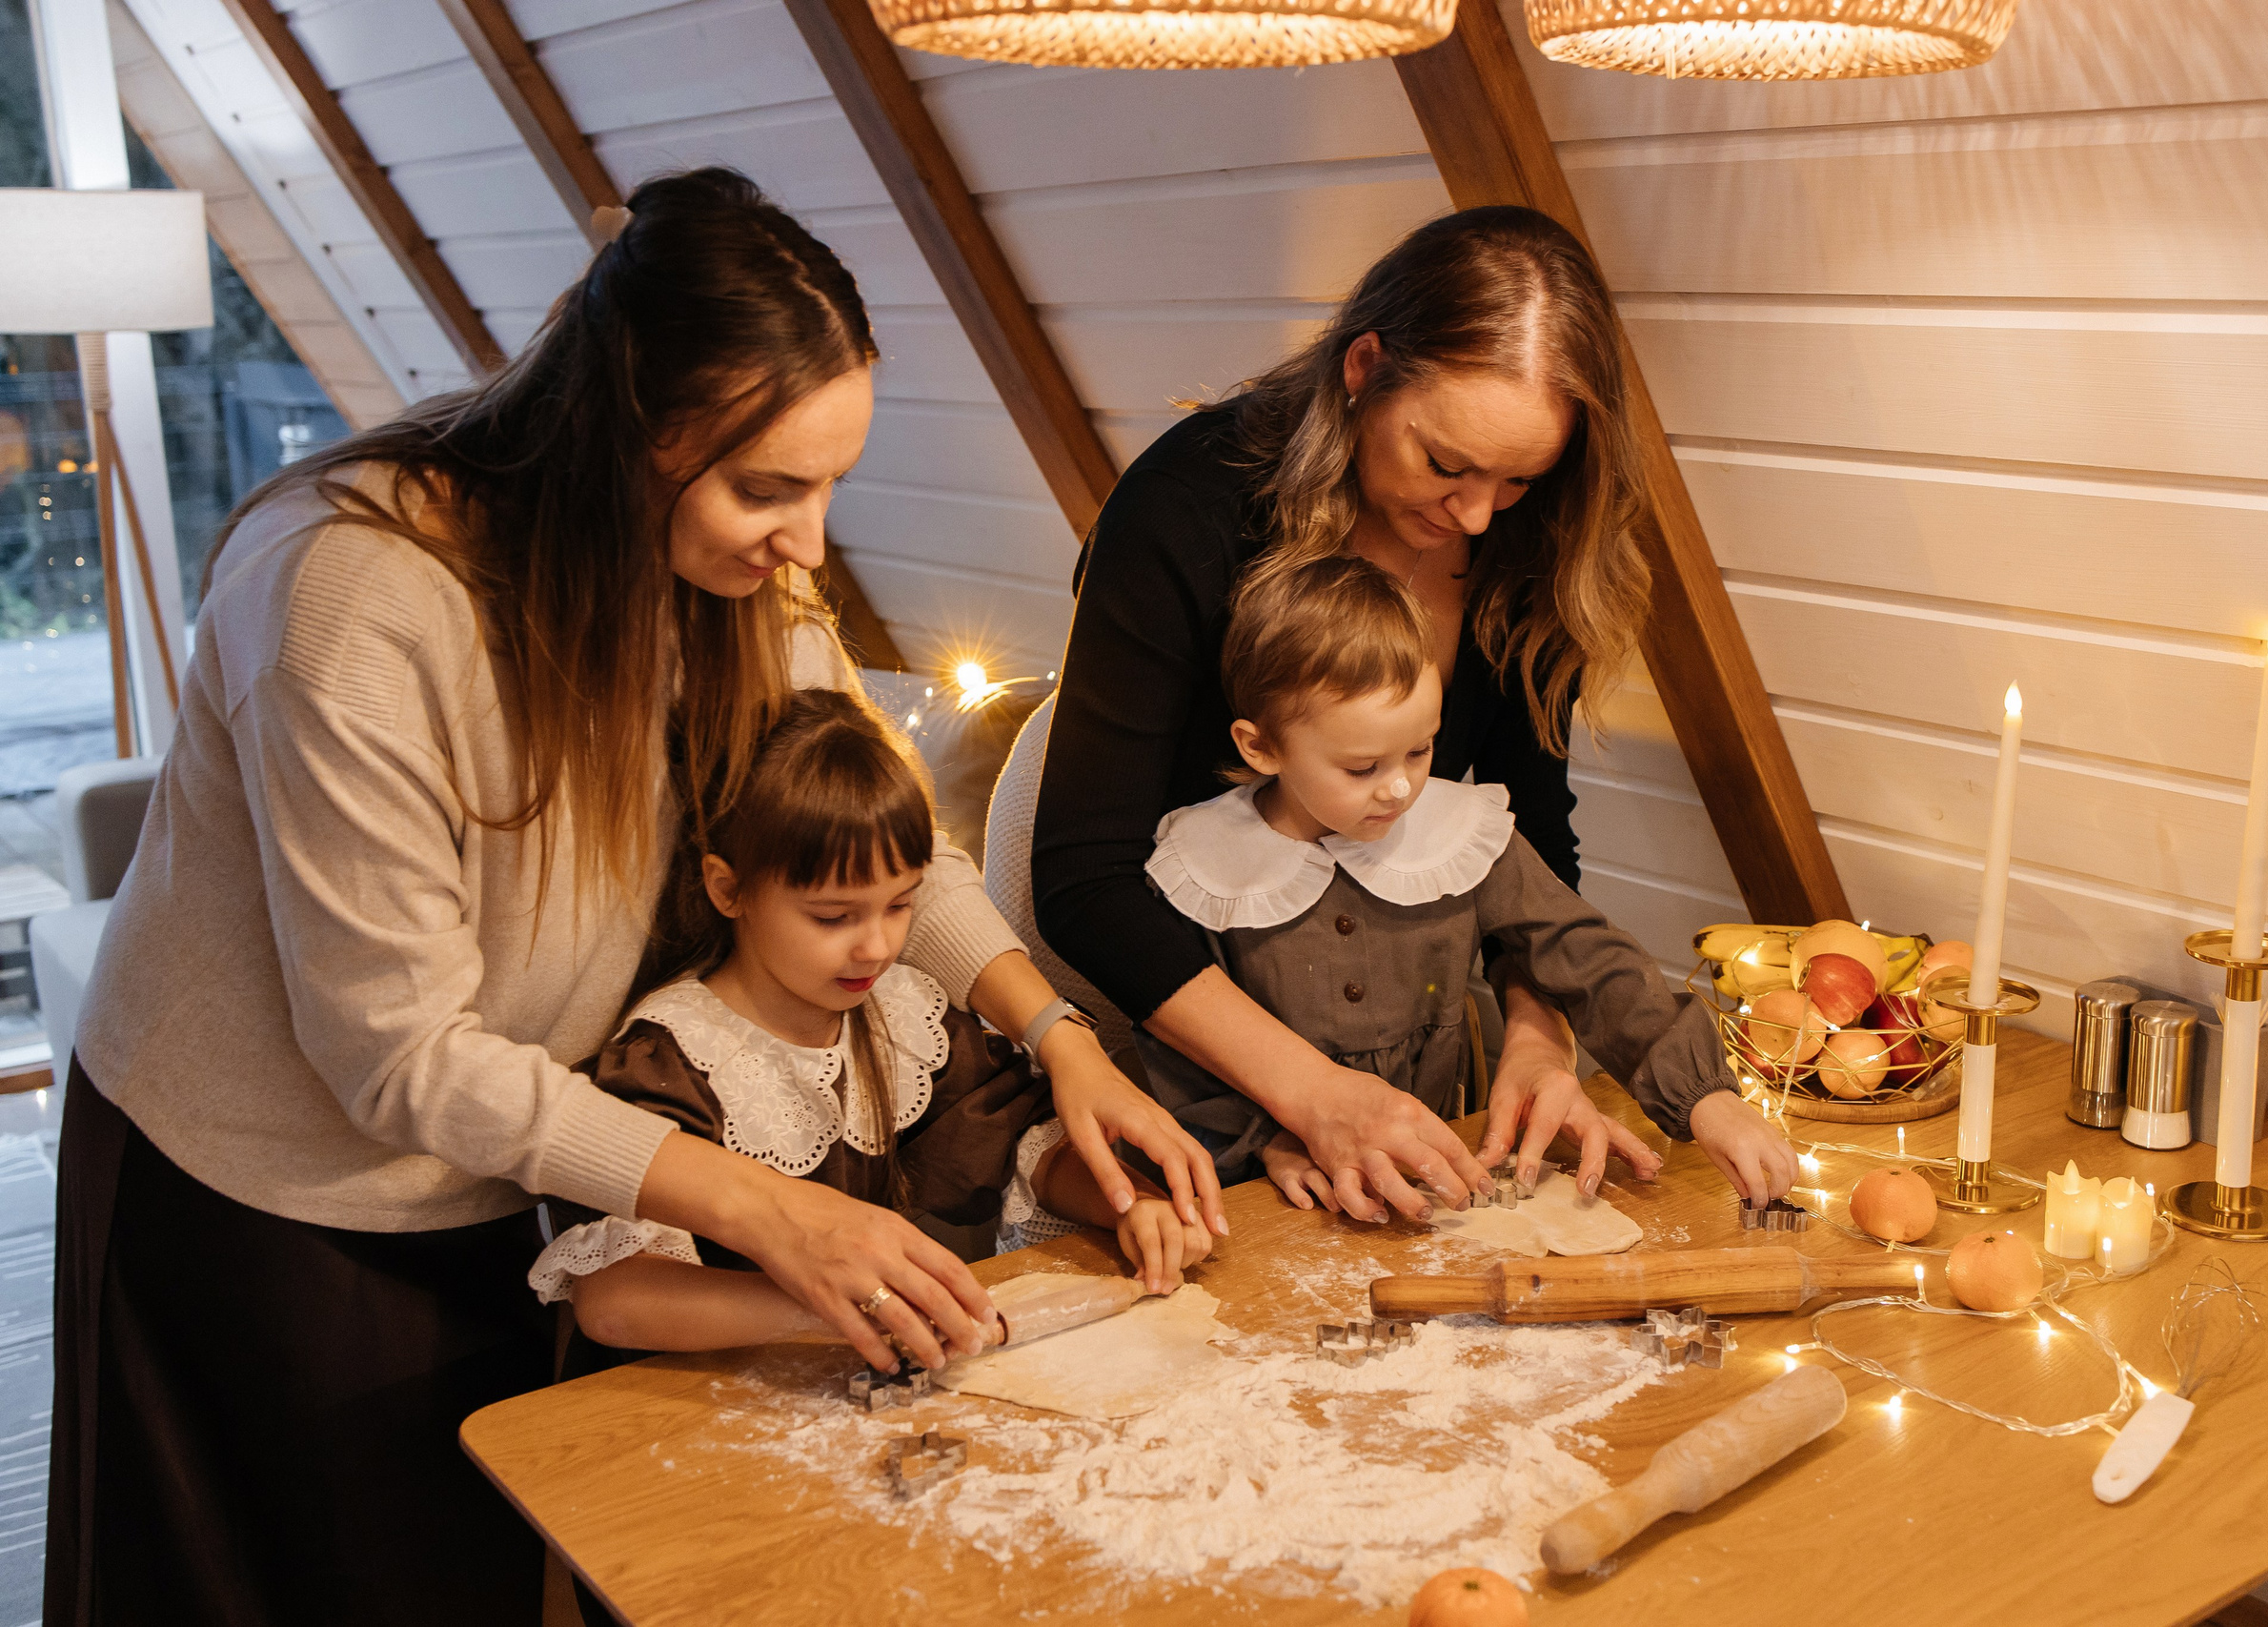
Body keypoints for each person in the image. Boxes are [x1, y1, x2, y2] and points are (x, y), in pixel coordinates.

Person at [48, 167, 1219, 1627]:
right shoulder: (353, 596)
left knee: (478, 1558)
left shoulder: (727, 583)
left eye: (832, 481)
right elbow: (394, 1055)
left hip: (517, 1159)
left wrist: (1061, 1038)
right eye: (767, 487)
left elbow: (899, 859)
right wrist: (770, 1210)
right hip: (258, 1199)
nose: (808, 540)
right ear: (620, 436)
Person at [1032, 204, 1798, 1222]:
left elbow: (1528, 843)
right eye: (1445, 464)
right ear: (1361, 371)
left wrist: (1537, 1040)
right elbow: (1086, 879)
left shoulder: (1525, 553)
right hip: (1190, 1066)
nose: (1475, 516)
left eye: (1518, 479)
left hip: (1402, 1096)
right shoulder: (1189, 509)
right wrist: (1300, 1101)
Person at [534, 688, 1211, 1382]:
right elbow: (617, 1301)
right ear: (727, 887)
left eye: (900, 904)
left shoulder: (902, 1021)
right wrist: (853, 1309)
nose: (877, 946)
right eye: (833, 917)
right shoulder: (667, 1059)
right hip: (675, 1411)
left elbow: (1022, 1142)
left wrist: (1131, 1203)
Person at [1139, 554, 1789, 1210]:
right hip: (1267, 1194)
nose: (1399, 787)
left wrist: (1706, 1096)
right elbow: (1180, 1046)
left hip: (1433, 1179)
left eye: (1420, 749)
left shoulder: (1462, 833)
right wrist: (1266, 1139)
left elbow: (1592, 960)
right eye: (1362, 766)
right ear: (1261, 748)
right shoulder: (1201, 864)